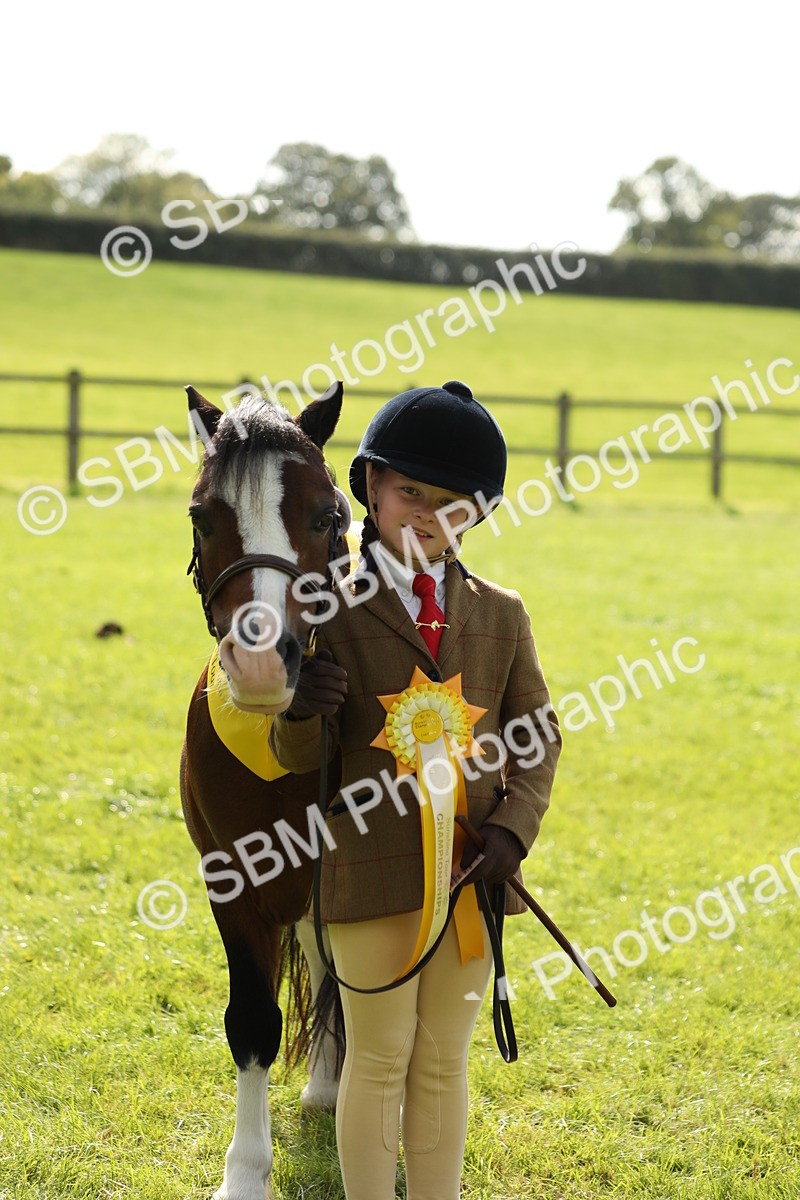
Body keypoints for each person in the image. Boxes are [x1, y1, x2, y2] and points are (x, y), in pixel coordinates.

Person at [270, 380, 561, 1200]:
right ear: (370, 486)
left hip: (471, 879)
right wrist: (301, 708)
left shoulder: (504, 615)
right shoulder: (327, 608)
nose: (427, 516)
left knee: (442, 1061)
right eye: (410, 494)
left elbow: (539, 734)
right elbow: (297, 760)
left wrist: (514, 829)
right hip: (370, 878)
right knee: (381, 1055)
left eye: (453, 505)